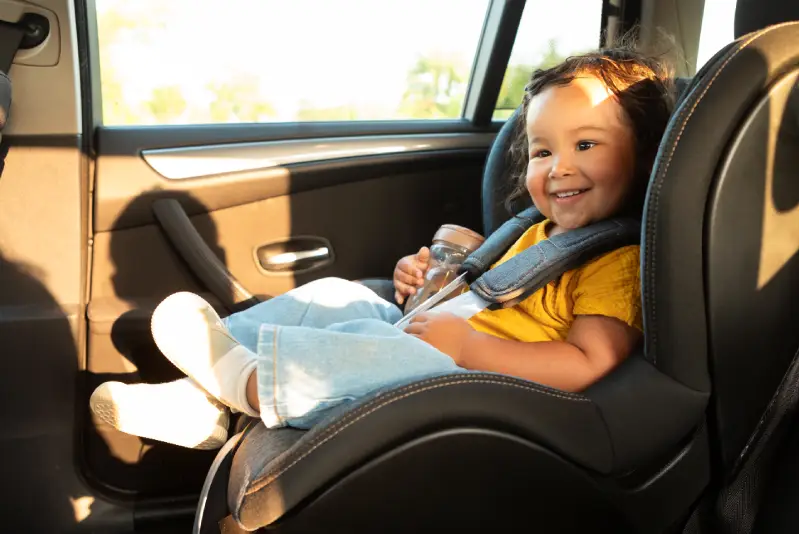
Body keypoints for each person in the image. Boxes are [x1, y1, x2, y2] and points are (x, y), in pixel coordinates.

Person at [90, 45, 675, 450]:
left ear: (646, 156)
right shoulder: (536, 230)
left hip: (480, 378)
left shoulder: (614, 262)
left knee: (376, 345)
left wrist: (468, 347)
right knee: (340, 297)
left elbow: (588, 363)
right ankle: (207, 396)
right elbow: (485, 291)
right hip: (449, 335)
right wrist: (422, 285)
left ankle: (235, 381)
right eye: (543, 152)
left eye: (587, 144)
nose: (558, 168)